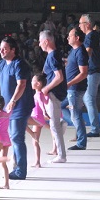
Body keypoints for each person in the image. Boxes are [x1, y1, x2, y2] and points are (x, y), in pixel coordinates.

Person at [0, 37, 35, 180]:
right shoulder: (2, 64)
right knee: (14, 137)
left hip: (20, 106)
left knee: (17, 137)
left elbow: (21, 84)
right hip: (8, 107)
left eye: (4, 48)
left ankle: (20, 170)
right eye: (0, 48)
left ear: (13, 49)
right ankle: (16, 166)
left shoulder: (19, 64)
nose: (1, 51)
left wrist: (13, 100)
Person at [39, 30, 68, 163]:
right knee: (53, 123)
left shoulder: (53, 56)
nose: (39, 45)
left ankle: (61, 155)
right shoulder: (54, 55)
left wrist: (46, 88)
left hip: (53, 93)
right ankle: (59, 152)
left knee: (54, 125)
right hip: (54, 93)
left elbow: (59, 77)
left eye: (40, 42)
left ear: (46, 41)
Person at [79, 14, 100, 137]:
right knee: (88, 98)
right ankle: (96, 127)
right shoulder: (92, 36)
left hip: (94, 70)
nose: (79, 26)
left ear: (87, 24)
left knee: (89, 99)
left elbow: (87, 52)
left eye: (81, 23)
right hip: (96, 70)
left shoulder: (90, 36)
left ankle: (95, 128)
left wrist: (79, 62)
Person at [64, 27, 89, 151]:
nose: (68, 37)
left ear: (77, 38)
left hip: (75, 88)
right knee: (62, 106)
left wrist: (69, 83)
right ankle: (78, 125)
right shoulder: (73, 51)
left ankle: (81, 143)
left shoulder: (80, 52)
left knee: (76, 114)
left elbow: (83, 73)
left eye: (70, 35)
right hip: (70, 88)